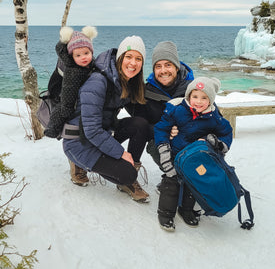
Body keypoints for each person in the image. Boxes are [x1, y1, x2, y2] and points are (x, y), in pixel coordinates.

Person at [62, 36, 151, 202]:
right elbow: (91, 129)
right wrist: (121, 153)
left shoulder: (126, 82)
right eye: (128, 57)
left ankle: (129, 178)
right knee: (127, 173)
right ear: (119, 58)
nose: (133, 63)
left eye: (138, 58)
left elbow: (142, 113)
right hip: (78, 141)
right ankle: (79, 164)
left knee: (141, 125)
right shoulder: (98, 81)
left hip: (101, 133)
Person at [153, 76, 233, 231]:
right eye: (195, 96)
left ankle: (186, 210)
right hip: (175, 156)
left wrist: (218, 144)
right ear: (189, 96)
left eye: (204, 98)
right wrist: (163, 149)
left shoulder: (213, 117)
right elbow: (161, 128)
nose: (199, 101)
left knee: (194, 183)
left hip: (196, 160)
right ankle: (166, 214)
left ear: (210, 100)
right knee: (171, 183)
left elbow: (227, 132)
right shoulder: (178, 110)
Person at [126, 41, 194, 165]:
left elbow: (213, 119)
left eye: (168, 65)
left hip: (192, 141)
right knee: (154, 145)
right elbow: (143, 126)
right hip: (164, 142)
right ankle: (172, 176)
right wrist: (166, 130)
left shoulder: (193, 89)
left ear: (176, 67)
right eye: (158, 66)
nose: (163, 71)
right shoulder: (147, 92)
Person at [44, 26, 98, 139]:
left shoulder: (89, 63)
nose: (83, 57)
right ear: (72, 56)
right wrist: (67, 109)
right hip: (62, 95)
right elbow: (68, 90)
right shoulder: (73, 70)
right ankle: (52, 129)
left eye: (86, 53)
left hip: (74, 92)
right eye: (78, 55)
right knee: (60, 111)